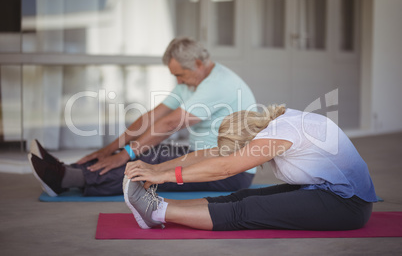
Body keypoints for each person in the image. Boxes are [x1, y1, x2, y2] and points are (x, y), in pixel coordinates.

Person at [28, 37, 257, 197]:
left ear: (198, 64)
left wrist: (126, 153)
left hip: (232, 170)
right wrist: (110, 149)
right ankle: (71, 169)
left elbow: (168, 124)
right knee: (145, 150)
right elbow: (153, 116)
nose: (177, 81)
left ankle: (67, 179)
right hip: (201, 155)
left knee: (152, 161)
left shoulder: (218, 84)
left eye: (180, 75)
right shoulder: (191, 81)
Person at [123, 104, 377, 231]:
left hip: (347, 205)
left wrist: (164, 175)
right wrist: (154, 169)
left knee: (247, 210)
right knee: (242, 196)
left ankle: (157, 212)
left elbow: (224, 168)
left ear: (246, 142)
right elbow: (208, 155)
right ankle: (159, 203)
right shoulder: (277, 121)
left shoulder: (282, 131)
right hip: (326, 192)